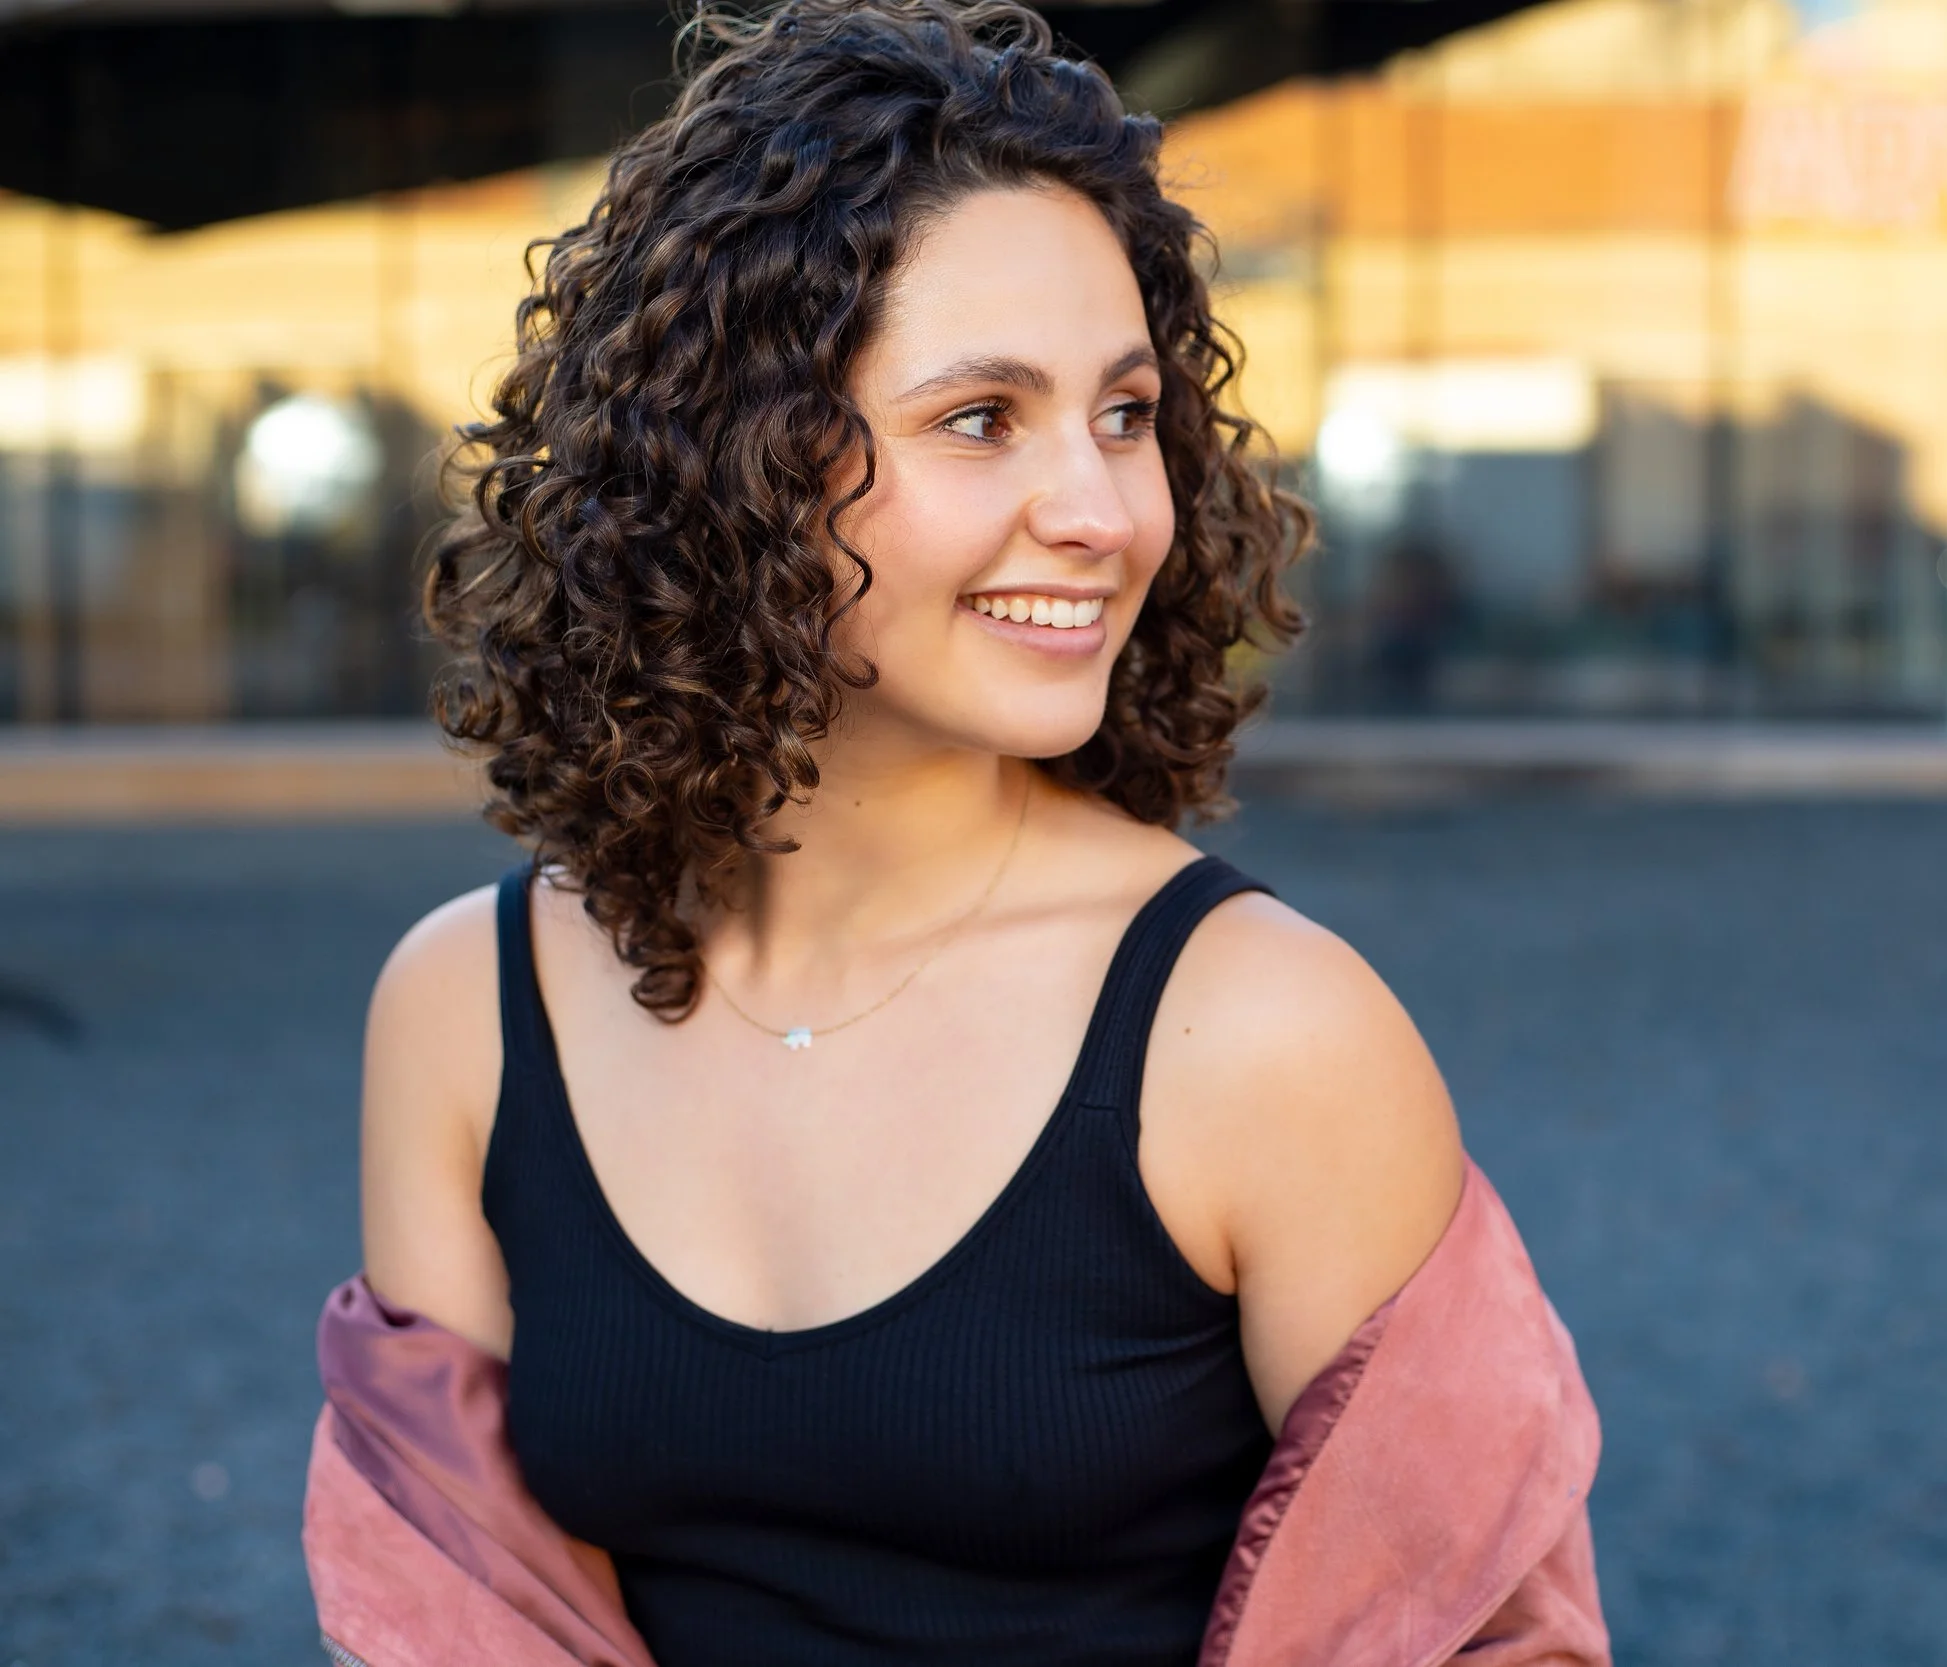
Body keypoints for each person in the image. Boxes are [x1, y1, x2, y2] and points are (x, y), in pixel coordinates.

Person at [330, 2, 1603, 1661]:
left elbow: (1488, 1633)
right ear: (737, 469)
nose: (1099, 510)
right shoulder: (466, 1010)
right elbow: (449, 1619)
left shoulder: (1261, 1032)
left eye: (1129, 413)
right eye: (982, 418)